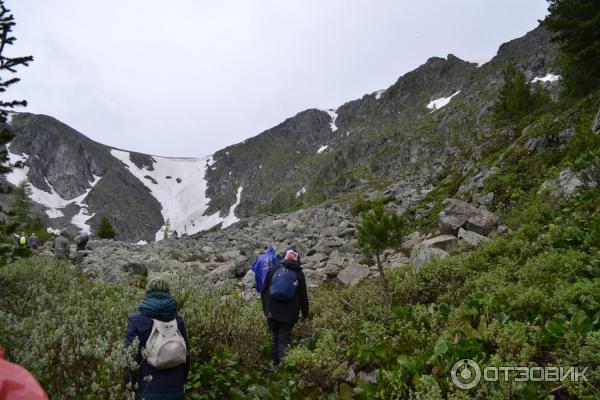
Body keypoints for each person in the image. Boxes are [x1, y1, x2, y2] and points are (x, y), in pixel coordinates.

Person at [125, 278, 189, 400]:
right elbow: (187, 356)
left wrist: (131, 387)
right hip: (176, 388)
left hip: (147, 390)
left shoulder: (136, 320)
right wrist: (182, 382)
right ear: (168, 293)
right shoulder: (178, 321)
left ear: (148, 293)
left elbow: (131, 358)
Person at [261, 249, 309, 367]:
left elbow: (264, 291)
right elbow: (303, 297)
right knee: (283, 339)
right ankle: (283, 369)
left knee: (275, 337)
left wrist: (266, 309)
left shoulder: (274, 269)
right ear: (297, 260)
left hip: (272, 311)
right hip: (289, 314)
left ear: (284, 257)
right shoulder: (299, 274)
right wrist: (305, 314)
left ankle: (274, 365)